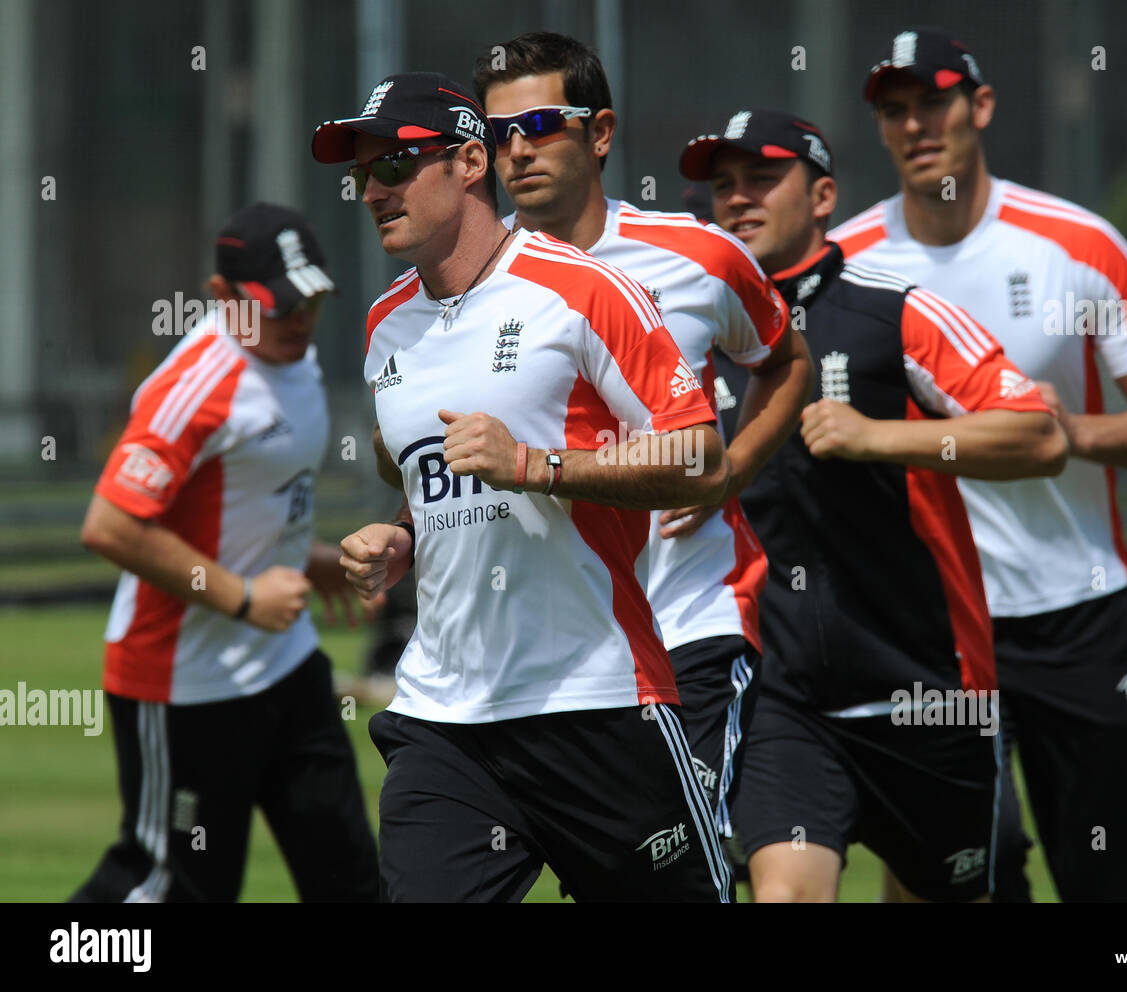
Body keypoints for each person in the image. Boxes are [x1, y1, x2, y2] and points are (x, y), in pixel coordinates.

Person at [311, 72, 735, 902]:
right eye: (361, 174)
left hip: (598, 701)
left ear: (471, 162)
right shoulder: (382, 322)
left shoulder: (582, 289)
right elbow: (429, 474)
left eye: (395, 164)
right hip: (446, 719)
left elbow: (700, 457)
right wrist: (401, 535)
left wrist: (536, 467)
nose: (372, 191)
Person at [830, 27, 1127, 901]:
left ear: (982, 107)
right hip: (924, 631)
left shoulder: (1078, 244)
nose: (916, 125)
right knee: (954, 878)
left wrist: (1053, 435)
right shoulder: (847, 263)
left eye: (935, 102)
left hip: (1071, 611)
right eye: (895, 110)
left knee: (1110, 887)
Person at [680, 108, 1068, 901]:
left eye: (763, 178)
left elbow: (1040, 436)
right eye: (723, 186)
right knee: (785, 894)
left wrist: (876, 438)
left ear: (823, 197)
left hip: (927, 687)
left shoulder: (896, 310)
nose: (738, 199)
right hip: (784, 696)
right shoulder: (691, 331)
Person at [473, 31, 813, 850]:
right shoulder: (462, 284)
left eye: (544, 123)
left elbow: (785, 361)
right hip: (538, 658)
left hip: (686, 627)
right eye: (498, 133)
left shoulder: (702, 256)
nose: (518, 150)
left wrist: (726, 474)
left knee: (687, 866)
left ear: (600, 133)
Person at [73, 203, 380, 903]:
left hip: (288, 668)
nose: (300, 319)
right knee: (168, 889)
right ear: (223, 299)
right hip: (186, 687)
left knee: (354, 882)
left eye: (312, 300)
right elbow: (111, 527)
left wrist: (311, 559)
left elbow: (246, 505)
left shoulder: (294, 361)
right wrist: (243, 599)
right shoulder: (197, 384)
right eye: (279, 307)